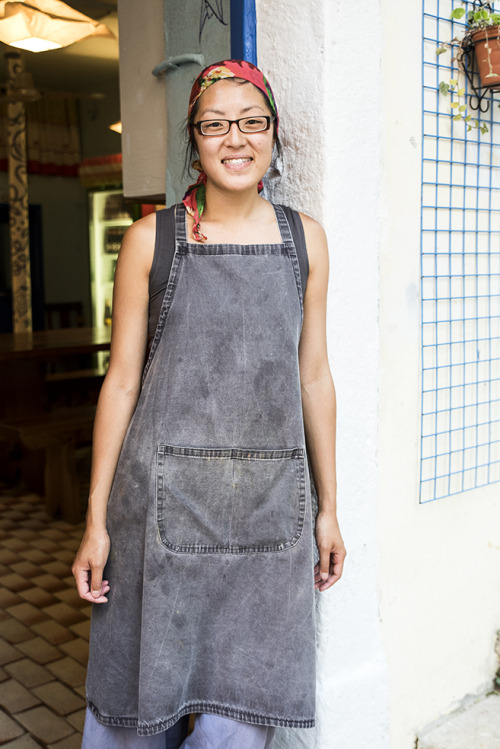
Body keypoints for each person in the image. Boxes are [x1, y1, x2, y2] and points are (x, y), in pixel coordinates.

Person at [73, 59, 346, 749]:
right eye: (215, 124)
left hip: (267, 525)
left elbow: (314, 376)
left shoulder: (305, 241)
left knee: (237, 727)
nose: (236, 139)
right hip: (158, 523)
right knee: (139, 711)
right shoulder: (150, 240)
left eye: (252, 122)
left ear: (274, 134)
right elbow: (123, 382)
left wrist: (329, 509)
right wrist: (95, 517)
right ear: (193, 139)